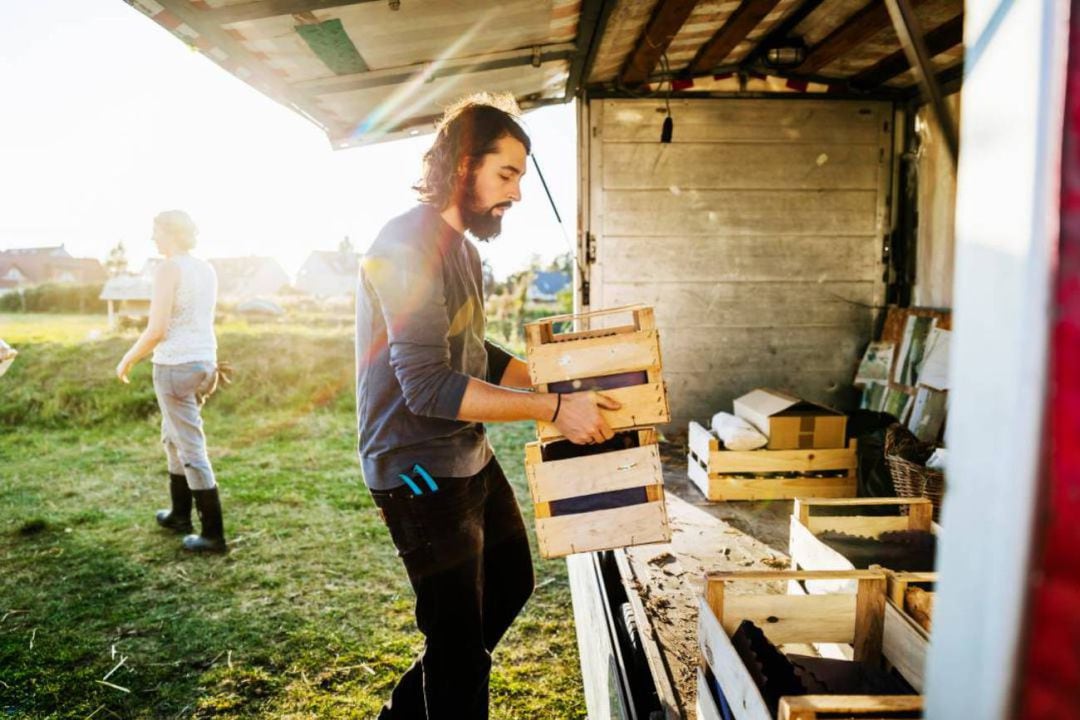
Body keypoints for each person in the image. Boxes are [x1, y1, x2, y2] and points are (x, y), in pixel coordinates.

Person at [355, 92, 620, 719]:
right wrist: (551, 409)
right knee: (459, 644)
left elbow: (473, 348)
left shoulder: (465, 250)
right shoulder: (403, 245)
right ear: (463, 164)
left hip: (464, 453)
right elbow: (426, 384)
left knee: (509, 583)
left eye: (520, 177)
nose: (518, 192)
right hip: (415, 467)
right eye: (508, 173)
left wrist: (559, 383)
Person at [116, 210, 226, 554]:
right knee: (172, 437)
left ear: (172, 234)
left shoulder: (168, 268)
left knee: (190, 445)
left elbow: (158, 329)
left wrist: (127, 358)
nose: (153, 238)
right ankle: (180, 514)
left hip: (174, 366)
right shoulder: (205, 267)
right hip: (205, 365)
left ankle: (213, 534)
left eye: (156, 231)